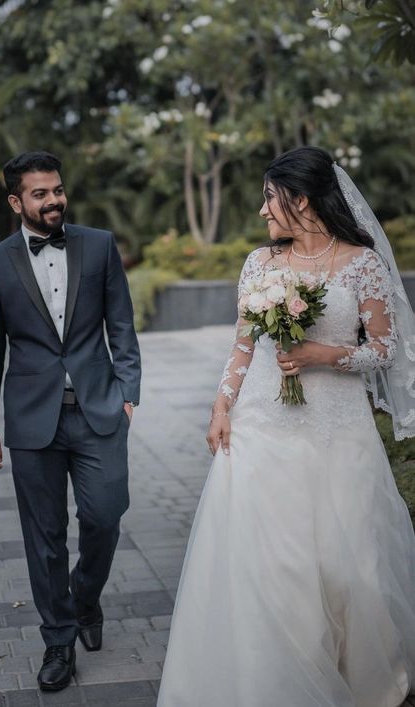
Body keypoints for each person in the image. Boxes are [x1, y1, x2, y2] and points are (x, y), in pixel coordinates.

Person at [157, 146, 415, 707]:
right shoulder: (261, 264)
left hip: (340, 429)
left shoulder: (362, 262)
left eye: (269, 198)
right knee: (277, 567)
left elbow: (386, 348)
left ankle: (358, 678)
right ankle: (275, 682)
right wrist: (222, 406)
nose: (261, 211)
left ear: (301, 199)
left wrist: (325, 355)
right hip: (263, 426)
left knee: (352, 569)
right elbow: (243, 345)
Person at [0, 151, 141, 692]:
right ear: (16, 201)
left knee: (106, 513)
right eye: (40, 194)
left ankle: (85, 597)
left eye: (57, 190)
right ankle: (58, 640)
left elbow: (122, 325)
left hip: (98, 409)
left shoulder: (98, 244)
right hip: (31, 419)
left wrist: (128, 393)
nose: (53, 201)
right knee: (43, 538)